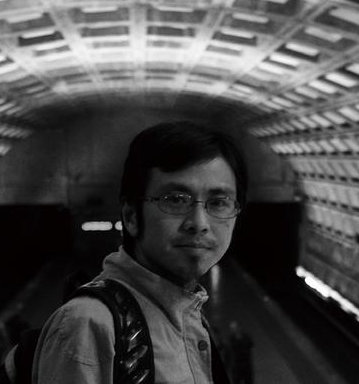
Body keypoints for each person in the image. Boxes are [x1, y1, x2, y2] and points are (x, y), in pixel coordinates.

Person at [32, 120, 247, 383]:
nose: (199, 223)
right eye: (176, 200)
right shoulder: (89, 326)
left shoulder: (189, 314)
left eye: (219, 202)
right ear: (131, 216)